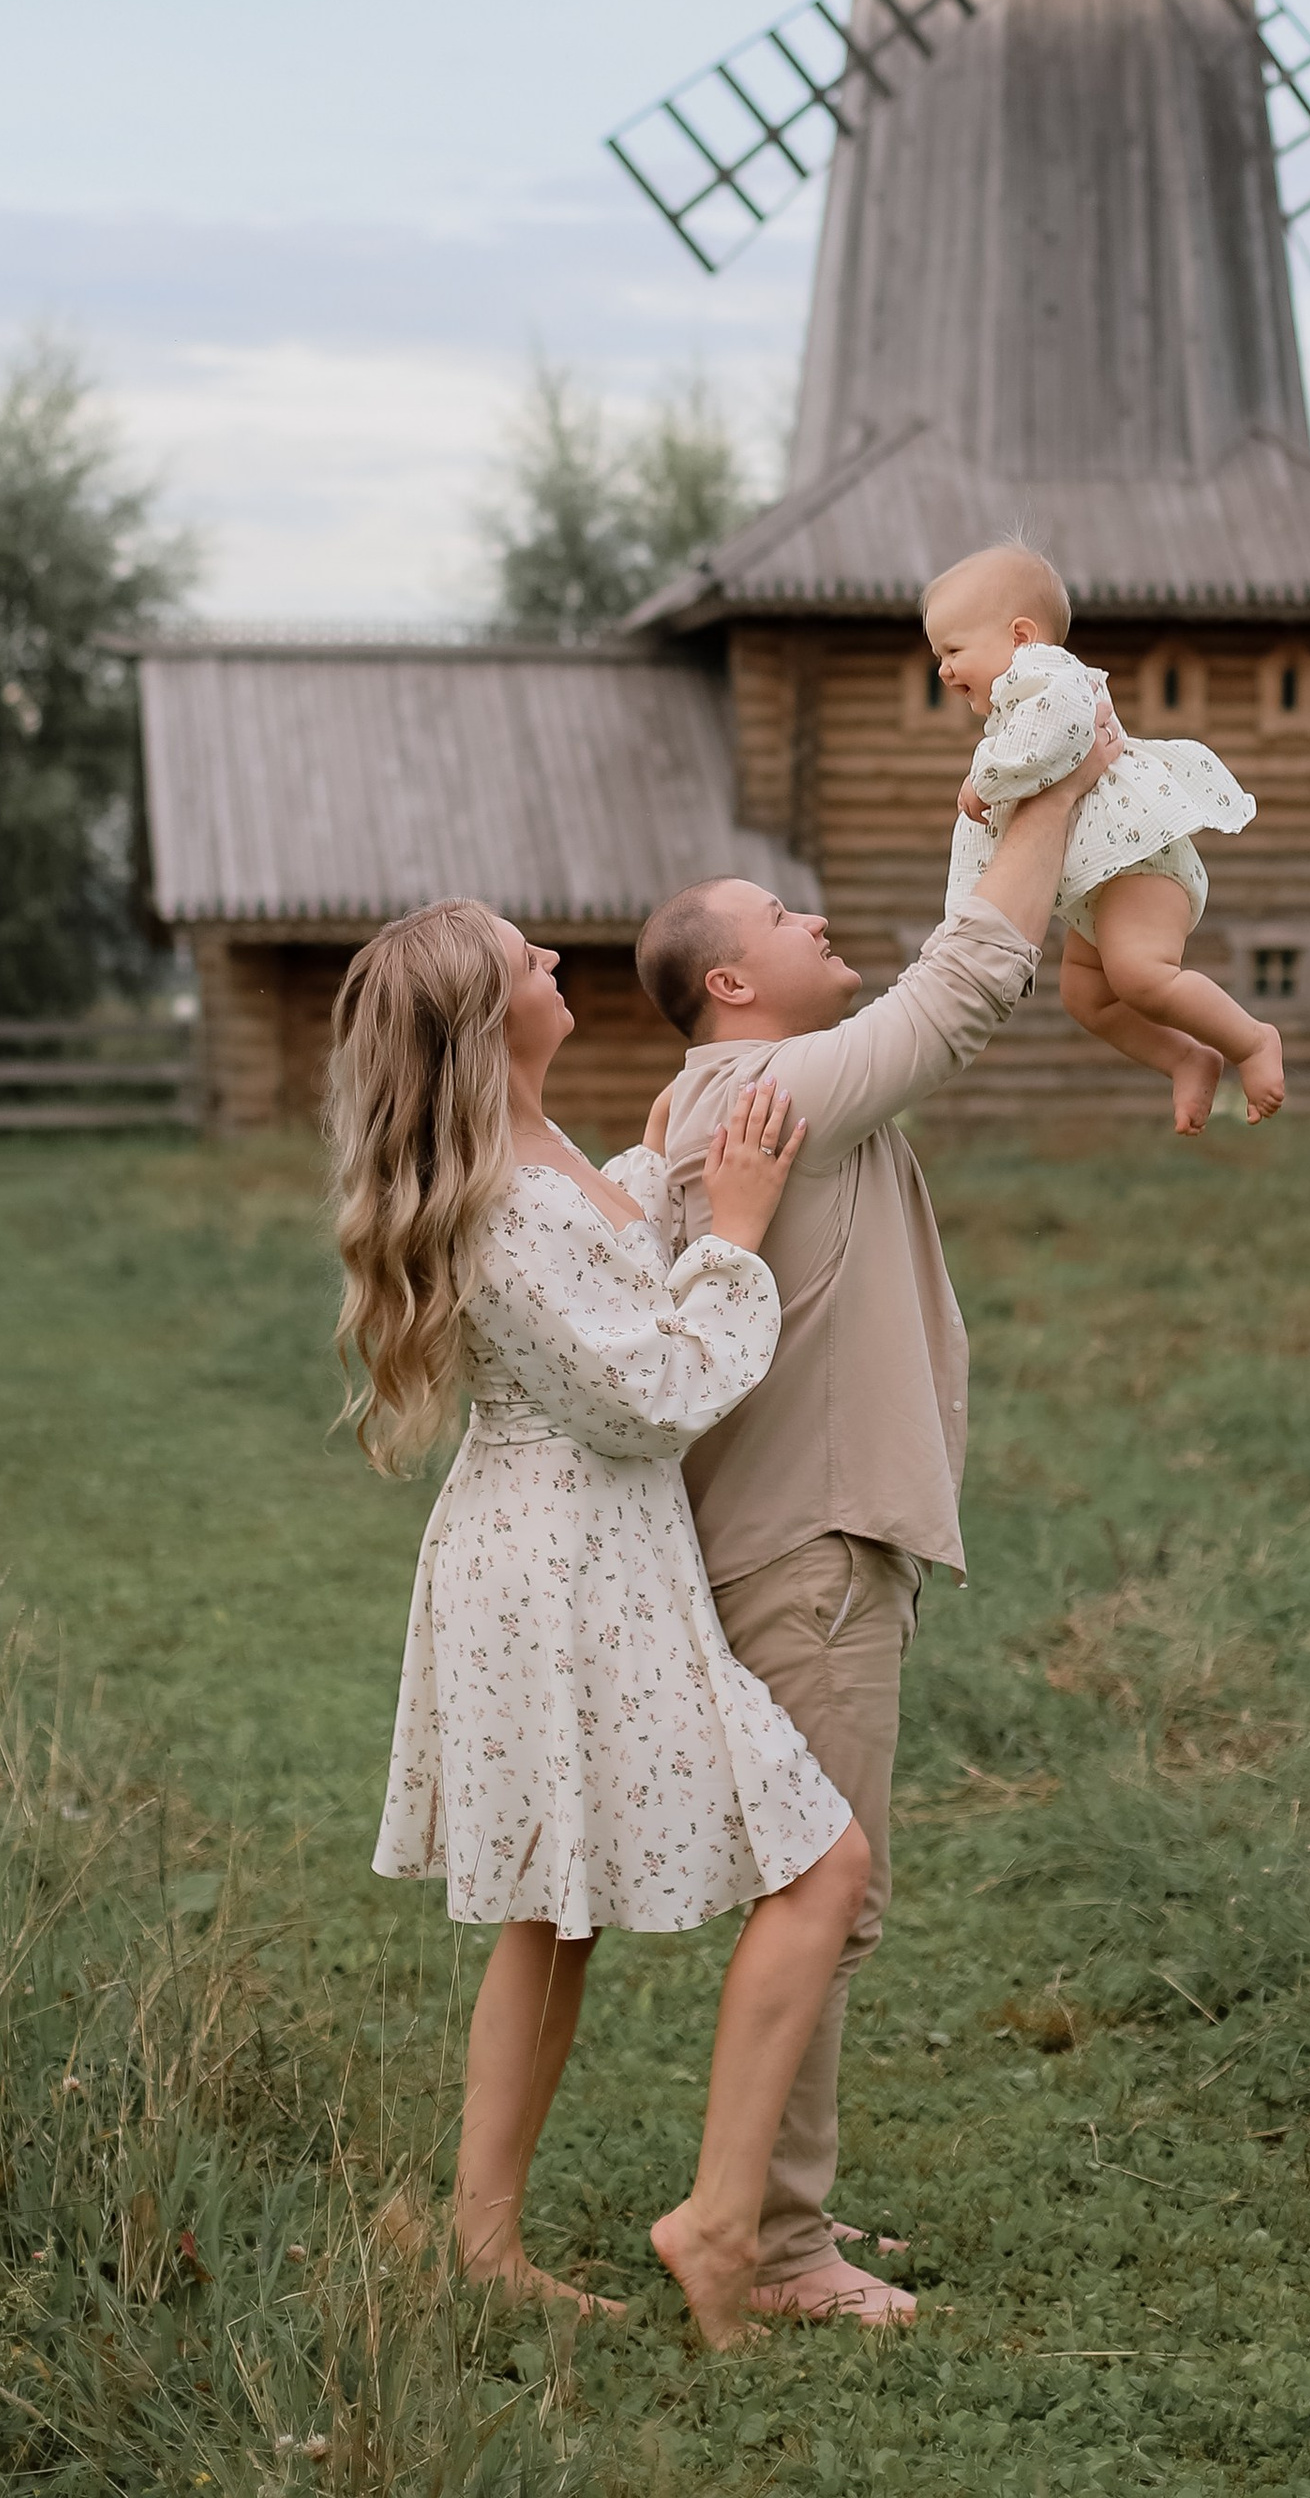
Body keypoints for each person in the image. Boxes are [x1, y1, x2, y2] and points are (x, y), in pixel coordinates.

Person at [632, 699, 1126, 2328]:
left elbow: (938, 953)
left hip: (815, 1540)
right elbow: (970, 981)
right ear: (728, 982)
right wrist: (1069, 778)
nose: (811, 917)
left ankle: (780, 2215)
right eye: (779, 917)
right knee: (824, 1895)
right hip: (805, 1550)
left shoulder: (769, 1091)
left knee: (825, 1892)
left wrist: (1002, 790)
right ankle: (769, 2245)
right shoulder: (761, 1098)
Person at [334, 899, 868, 2349]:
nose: (556, 963)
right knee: (819, 1866)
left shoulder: (543, 1155)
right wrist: (738, 1234)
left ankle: (483, 2238)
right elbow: (646, 1393)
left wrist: (656, 1159)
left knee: (546, 1921)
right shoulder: (503, 1201)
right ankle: (707, 2227)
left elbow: (601, 1254)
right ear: (483, 1017)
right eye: (528, 960)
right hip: (565, 1569)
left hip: (582, 1555)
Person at [925, 540, 1285, 1136]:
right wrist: (967, 926)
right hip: (1099, 885)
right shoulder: (1011, 719)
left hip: (1138, 862)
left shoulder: (1047, 676)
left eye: (953, 650)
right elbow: (982, 844)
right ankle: (1186, 1057)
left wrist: (984, 779)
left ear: (1020, 637)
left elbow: (1062, 732)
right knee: (1088, 999)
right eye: (937, 655)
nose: (942, 670)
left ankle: (1253, 1041)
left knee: (1141, 975)